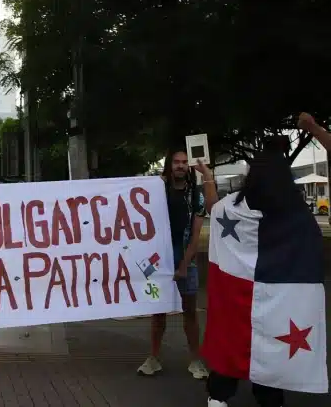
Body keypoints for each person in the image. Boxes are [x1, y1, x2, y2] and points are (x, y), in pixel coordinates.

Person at [199, 118, 328, 406]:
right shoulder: (297, 217)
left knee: (231, 347)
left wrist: (207, 176)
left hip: (236, 307)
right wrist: (317, 130)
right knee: (270, 356)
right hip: (280, 305)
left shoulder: (231, 208)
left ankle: (218, 399)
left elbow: (212, 207)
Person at [137, 149, 209, 380]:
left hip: (186, 261)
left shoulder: (195, 195)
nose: (180, 166)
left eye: (184, 162)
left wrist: (184, 266)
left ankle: (195, 361)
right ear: (169, 165)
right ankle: (153, 358)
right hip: (158, 262)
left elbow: (196, 235)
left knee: (190, 312)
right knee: (158, 312)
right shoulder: (157, 192)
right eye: (176, 162)